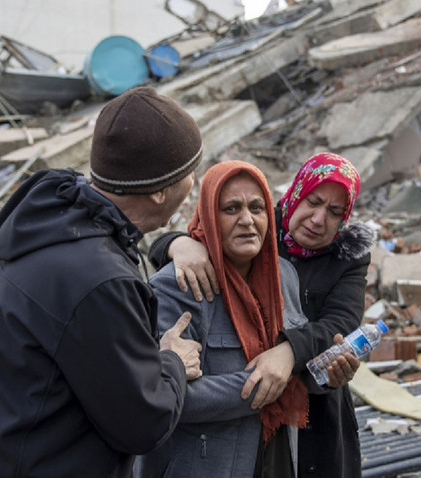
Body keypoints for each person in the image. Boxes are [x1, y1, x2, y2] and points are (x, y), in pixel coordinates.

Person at [0, 86, 205, 478]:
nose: (193, 182)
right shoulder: (99, 280)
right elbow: (145, 423)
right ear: (161, 191)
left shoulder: (47, 221)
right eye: (188, 173)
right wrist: (172, 361)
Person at [149, 152, 375, 477]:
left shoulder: (282, 275)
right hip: (210, 457)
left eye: (335, 212)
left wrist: (313, 368)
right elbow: (160, 393)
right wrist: (175, 244)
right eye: (313, 201)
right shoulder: (187, 280)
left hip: (294, 436)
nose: (317, 219)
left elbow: (339, 325)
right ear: (293, 197)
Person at [136, 160, 320, 478]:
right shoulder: (179, 284)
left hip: (275, 458)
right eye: (231, 208)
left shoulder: (283, 276)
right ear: (209, 215)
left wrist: (327, 374)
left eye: (257, 207)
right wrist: (262, 385)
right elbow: (162, 394)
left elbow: (300, 370)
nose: (247, 220)